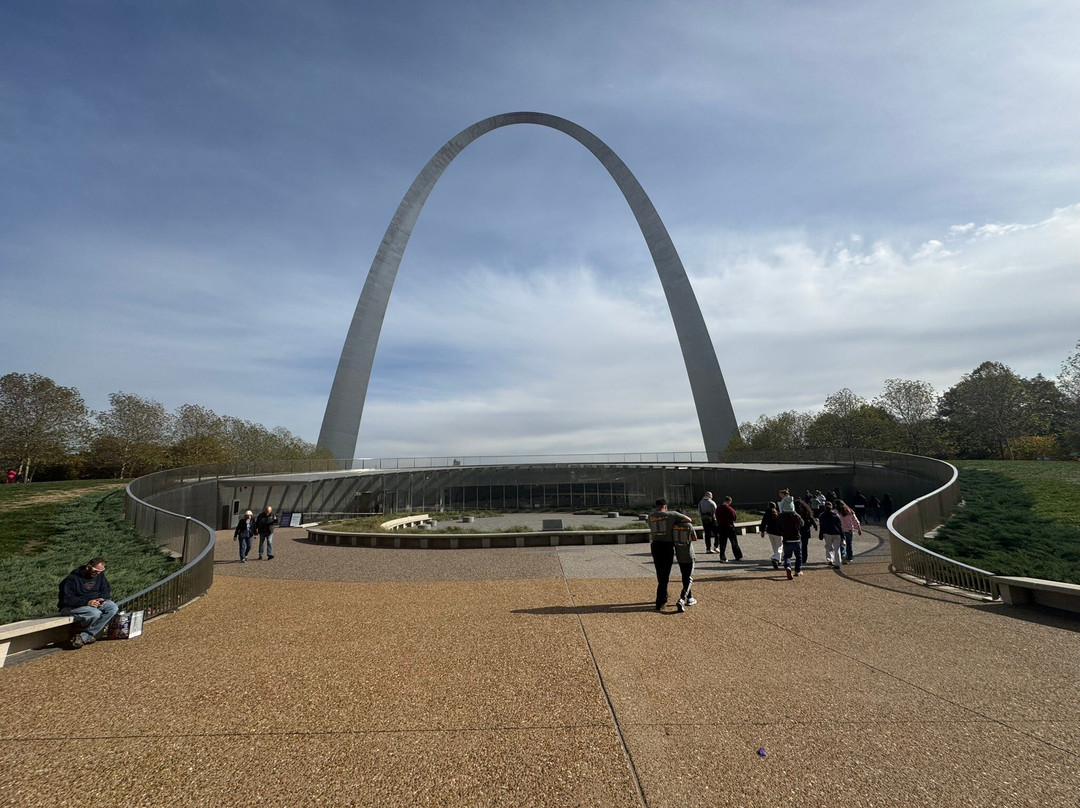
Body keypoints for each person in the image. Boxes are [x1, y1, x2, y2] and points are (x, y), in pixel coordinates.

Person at [58, 557, 119, 649]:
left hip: (93, 603)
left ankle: (84, 636)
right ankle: (84, 635)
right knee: (95, 613)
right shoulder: (72, 579)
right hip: (72, 606)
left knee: (113, 607)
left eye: (100, 571)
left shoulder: (100, 576)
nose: (98, 573)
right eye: (96, 571)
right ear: (88, 567)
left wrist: (101, 599)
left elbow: (106, 589)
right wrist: (88, 602)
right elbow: (68, 599)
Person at [646, 498, 694, 611]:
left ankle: (663, 596)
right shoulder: (671, 514)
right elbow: (688, 519)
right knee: (665, 574)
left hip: (655, 545)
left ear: (656, 506)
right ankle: (660, 601)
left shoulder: (650, 516)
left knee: (660, 572)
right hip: (667, 546)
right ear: (665, 506)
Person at [671, 519, 699, 613]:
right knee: (689, 578)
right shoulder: (688, 526)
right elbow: (695, 538)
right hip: (689, 554)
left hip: (679, 555)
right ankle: (682, 599)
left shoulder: (673, 527)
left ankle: (690, 597)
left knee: (684, 576)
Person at [778, 505, 804, 579]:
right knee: (798, 556)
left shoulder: (782, 517)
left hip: (787, 539)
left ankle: (788, 566)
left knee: (787, 556)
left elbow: (779, 528)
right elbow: (802, 524)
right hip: (797, 539)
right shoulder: (797, 516)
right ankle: (797, 570)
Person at [715, 495, 743, 562]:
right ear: (729, 501)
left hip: (721, 527)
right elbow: (734, 518)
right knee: (734, 542)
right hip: (729, 527)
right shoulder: (730, 509)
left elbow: (716, 516)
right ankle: (738, 555)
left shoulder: (718, 508)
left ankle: (722, 556)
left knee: (722, 543)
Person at [818, 501, 845, 568]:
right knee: (837, 549)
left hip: (827, 533)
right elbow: (840, 526)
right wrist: (843, 536)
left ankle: (830, 559)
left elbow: (821, 526)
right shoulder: (836, 515)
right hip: (837, 533)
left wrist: (820, 534)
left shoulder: (822, 515)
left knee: (828, 547)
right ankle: (838, 563)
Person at [795, 497, 818, 565]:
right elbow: (811, 519)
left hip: (797, 530)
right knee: (805, 545)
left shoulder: (795, 513)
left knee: (798, 545)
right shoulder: (807, 512)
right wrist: (815, 525)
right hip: (806, 530)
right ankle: (804, 558)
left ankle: (799, 557)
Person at [759, 502, 782, 569]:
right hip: (778, 532)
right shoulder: (778, 514)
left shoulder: (767, 514)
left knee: (774, 546)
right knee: (780, 546)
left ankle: (778, 560)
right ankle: (775, 558)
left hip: (770, 532)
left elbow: (763, 523)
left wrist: (762, 531)